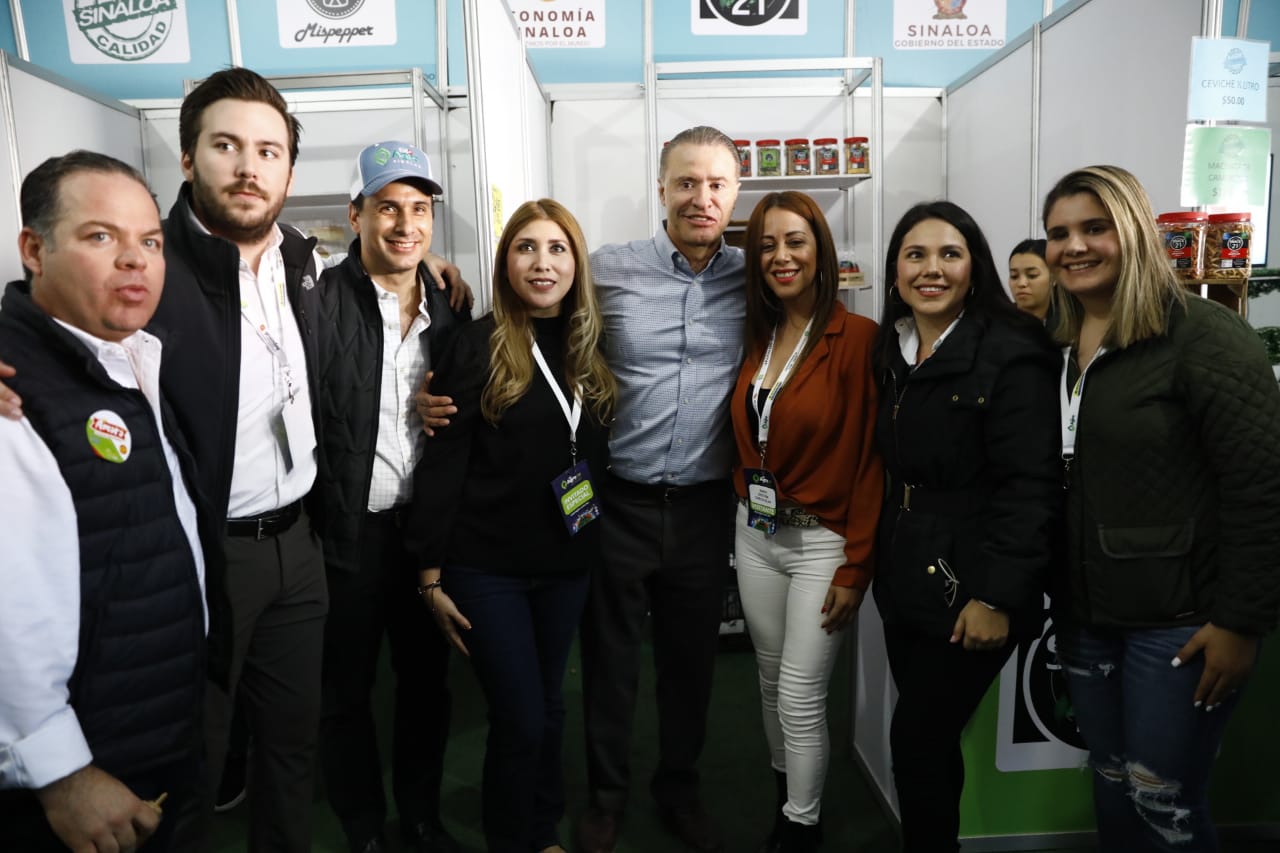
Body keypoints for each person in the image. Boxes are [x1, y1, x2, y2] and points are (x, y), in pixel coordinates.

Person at [1042, 165, 1280, 852]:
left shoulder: (1204, 335)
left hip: (1180, 623)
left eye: (1095, 228)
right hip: (1086, 615)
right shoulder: (1055, 345)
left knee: (1163, 798)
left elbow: (1261, 485)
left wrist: (1239, 621)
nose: (1074, 246)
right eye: (1059, 233)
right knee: (1112, 779)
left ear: (1135, 232)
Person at [0, 151, 211, 851]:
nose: (134, 260)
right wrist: (59, 772)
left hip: (146, 724)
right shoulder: (13, 396)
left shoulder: (126, 356)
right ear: (35, 250)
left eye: (149, 241)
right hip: (78, 777)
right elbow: (10, 603)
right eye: (100, 236)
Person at [407, 198, 615, 853]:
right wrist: (429, 573)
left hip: (565, 563)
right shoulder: (477, 344)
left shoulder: (591, 345)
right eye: (527, 247)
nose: (542, 262)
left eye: (557, 248)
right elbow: (444, 463)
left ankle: (540, 828)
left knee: (548, 704)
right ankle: (510, 837)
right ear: (506, 264)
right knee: (521, 713)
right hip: (486, 567)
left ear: (576, 263)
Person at [872, 201, 1060, 852]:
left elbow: (1031, 484)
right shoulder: (892, 348)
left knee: (915, 740)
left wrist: (997, 596)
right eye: (915, 255)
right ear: (895, 270)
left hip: (973, 584)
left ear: (974, 266)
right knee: (930, 744)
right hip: (906, 578)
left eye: (949, 254)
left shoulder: (1012, 351)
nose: (932, 269)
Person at [577, 125, 745, 853]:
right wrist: (440, 282)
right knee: (609, 662)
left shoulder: (756, 278)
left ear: (735, 194)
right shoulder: (607, 270)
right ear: (661, 188)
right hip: (618, 502)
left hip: (706, 508)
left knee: (690, 665)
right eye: (686, 182)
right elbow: (530, 312)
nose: (700, 197)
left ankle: (678, 788)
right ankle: (605, 797)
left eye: (716, 184)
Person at [314, 140, 470, 853]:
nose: (406, 224)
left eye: (419, 209)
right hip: (347, 531)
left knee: (426, 685)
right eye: (387, 208)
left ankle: (420, 816)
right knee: (345, 690)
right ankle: (362, 826)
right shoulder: (317, 302)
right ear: (356, 215)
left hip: (425, 536)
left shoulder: (451, 307)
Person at [730, 191, 882, 853]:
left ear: (821, 249)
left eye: (795, 241)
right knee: (769, 679)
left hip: (824, 543)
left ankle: (801, 827)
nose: (781, 256)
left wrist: (856, 566)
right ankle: (786, 798)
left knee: (798, 692)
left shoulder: (859, 339)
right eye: (766, 245)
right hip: (757, 533)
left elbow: (873, 462)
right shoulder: (757, 333)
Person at [1008, 238, 1054, 321]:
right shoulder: (997, 322)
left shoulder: (1073, 322)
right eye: (1014, 276)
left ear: (1054, 278)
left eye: (1032, 275)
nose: (1021, 283)